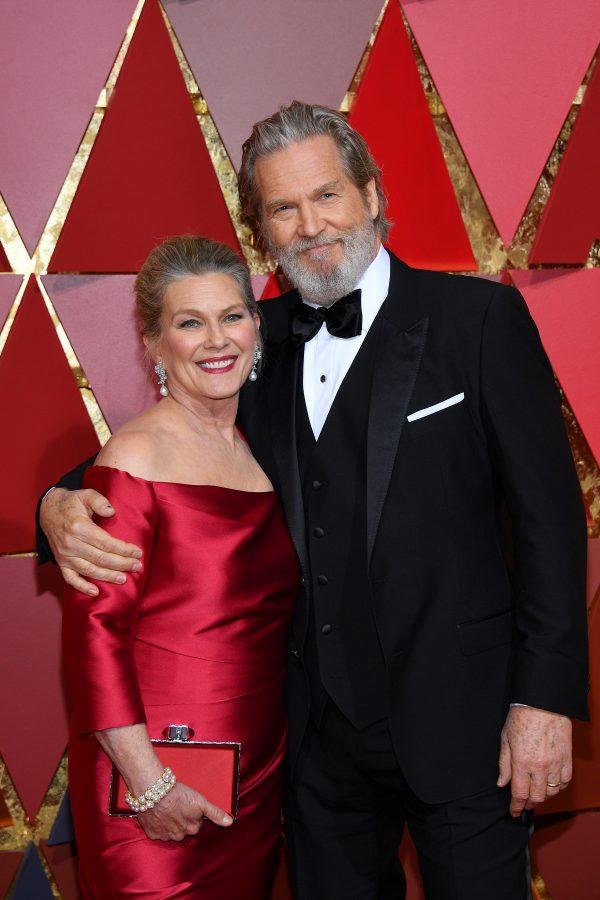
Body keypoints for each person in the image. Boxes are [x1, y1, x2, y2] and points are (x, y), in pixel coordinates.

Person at [39, 104, 588, 899]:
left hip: (468, 724)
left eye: (327, 195)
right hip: (315, 750)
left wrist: (543, 700)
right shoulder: (248, 338)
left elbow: (550, 522)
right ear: (262, 229)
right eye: (283, 208)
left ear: (371, 195)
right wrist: (57, 503)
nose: (310, 225)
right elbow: (143, 461)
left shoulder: (477, 320)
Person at [58, 236, 300, 898]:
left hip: (254, 778)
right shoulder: (133, 460)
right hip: (149, 782)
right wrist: (149, 783)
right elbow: (94, 638)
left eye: (232, 316)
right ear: (154, 345)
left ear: (256, 327)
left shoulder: (259, 447)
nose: (216, 340)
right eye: (190, 323)